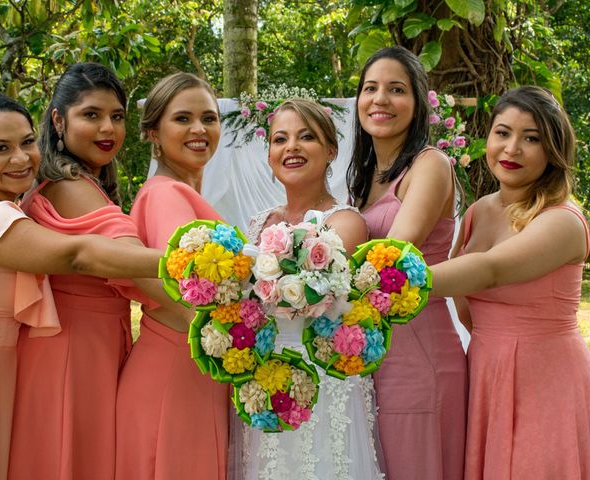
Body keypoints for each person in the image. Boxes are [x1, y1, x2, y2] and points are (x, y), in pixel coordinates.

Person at [0, 91, 165, 480]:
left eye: (27, 142)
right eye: (1, 148)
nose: (21, 158)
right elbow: (77, 255)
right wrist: (188, 261)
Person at [7, 63, 166, 480]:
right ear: (59, 119)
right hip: (71, 351)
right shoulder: (69, 184)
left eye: (116, 116)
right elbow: (127, 257)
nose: (107, 128)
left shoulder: (77, 182)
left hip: (85, 345)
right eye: (91, 114)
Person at [431, 85, 590, 479]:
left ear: (553, 150)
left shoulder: (563, 221)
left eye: (531, 138)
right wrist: (497, 346)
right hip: (486, 372)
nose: (512, 148)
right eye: (502, 132)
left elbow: (490, 270)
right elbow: (466, 300)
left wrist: (393, 281)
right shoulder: (480, 211)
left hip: (545, 379)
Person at [229, 98, 384, 480]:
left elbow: (303, 287)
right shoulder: (257, 222)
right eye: (280, 139)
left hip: (323, 374)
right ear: (269, 155)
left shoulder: (346, 221)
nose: (291, 147)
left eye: (306, 137)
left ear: (331, 150)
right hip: (263, 376)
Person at [346, 45, 467, 480]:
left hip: (418, 353)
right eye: (370, 88)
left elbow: (392, 258)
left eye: (396, 90)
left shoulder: (429, 165)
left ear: (417, 105)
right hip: (374, 356)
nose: (380, 99)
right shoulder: (364, 183)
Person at [114, 72, 230, 480]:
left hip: (192, 366)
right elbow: (186, 288)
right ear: (153, 133)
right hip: (177, 369)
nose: (199, 129)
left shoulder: (181, 192)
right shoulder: (165, 193)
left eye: (209, 118)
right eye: (183, 119)